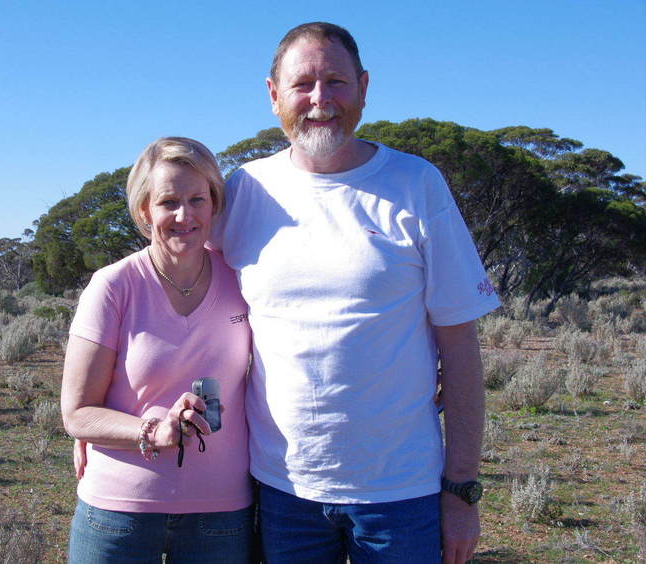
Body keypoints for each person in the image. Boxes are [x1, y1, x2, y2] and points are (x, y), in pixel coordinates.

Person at [211, 22, 500, 564]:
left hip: (402, 494)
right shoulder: (244, 190)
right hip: (281, 488)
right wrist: (105, 410)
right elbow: (178, 295)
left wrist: (461, 491)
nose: (320, 100)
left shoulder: (416, 184)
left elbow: (460, 348)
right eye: (302, 85)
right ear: (274, 95)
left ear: (364, 88)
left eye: (336, 82)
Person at [61, 137, 253, 563]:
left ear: (214, 204)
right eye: (168, 202)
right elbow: (77, 413)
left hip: (221, 516)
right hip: (118, 517)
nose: (184, 215)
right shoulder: (114, 286)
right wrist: (153, 430)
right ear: (144, 211)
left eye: (197, 199)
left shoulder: (244, 279)